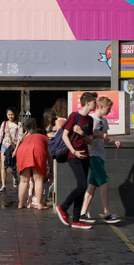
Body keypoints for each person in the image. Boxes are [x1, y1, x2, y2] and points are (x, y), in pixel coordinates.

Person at [55, 92, 98, 230]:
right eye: (94, 102)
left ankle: (76, 219)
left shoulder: (90, 120)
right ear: (87, 103)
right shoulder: (75, 116)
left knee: (82, 186)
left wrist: (81, 133)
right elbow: (65, 136)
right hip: (74, 156)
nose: (95, 104)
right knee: (82, 186)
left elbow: (90, 141)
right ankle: (63, 207)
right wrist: (73, 151)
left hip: (85, 155)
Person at [78, 96, 122, 225]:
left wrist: (113, 142)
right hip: (93, 155)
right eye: (108, 108)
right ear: (101, 107)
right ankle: (107, 212)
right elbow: (88, 137)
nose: (109, 111)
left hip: (100, 155)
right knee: (105, 182)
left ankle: (83, 213)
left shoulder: (104, 122)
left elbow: (105, 140)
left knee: (93, 185)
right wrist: (100, 135)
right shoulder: (92, 120)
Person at [16, 118, 50, 210]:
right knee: (38, 179)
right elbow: (49, 156)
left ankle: (20, 204)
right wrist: (51, 169)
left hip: (22, 150)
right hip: (37, 149)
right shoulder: (44, 138)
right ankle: (39, 204)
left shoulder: (25, 137)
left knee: (23, 180)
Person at [0, 106, 23, 191]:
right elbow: (0, 135)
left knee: (12, 167)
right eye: (9, 114)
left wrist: (16, 149)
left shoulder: (19, 124)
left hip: (13, 146)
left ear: (15, 115)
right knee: (3, 166)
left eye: (12, 114)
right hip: (4, 145)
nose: (10, 116)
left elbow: (20, 137)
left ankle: (15, 177)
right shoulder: (4, 124)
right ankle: (3, 185)